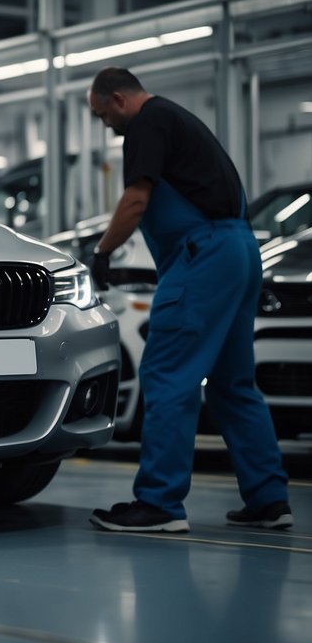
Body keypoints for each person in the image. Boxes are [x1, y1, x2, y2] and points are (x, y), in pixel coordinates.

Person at [85, 67, 291, 533]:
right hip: (239, 250)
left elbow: (136, 200)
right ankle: (269, 499)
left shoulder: (146, 125)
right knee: (232, 384)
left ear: (118, 99)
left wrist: (102, 251)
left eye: (103, 116)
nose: (106, 126)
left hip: (204, 258)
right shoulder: (179, 120)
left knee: (166, 374)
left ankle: (158, 502)